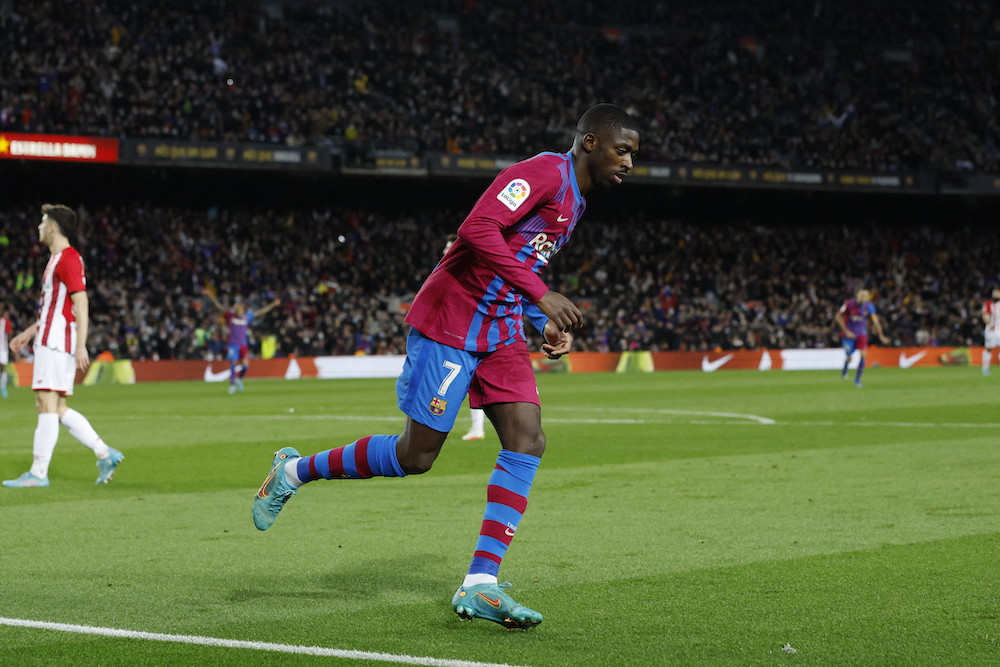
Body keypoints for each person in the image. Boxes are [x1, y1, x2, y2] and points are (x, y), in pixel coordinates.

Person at [252, 103, 640, 630]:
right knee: (416, 456)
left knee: (527, 440)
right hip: (452, 321)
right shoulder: (544, 174)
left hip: (500, 330)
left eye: (633, 154)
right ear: (591, 142)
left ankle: (480, 583)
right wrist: (542, 295)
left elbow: (519, 263)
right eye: (623, 150)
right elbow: (477, 228)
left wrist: (540, 318)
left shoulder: (577, 200)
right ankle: (293, 471)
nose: (629, 162)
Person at [4, 204, 123, 488]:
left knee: (45, 403)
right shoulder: (57, 259)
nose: (38, 227)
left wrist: (81, 345)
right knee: (55, 407)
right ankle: (105, 453)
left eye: (42, 222)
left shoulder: (68, 258)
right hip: (51, 337)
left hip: (56, 342)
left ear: (53, 227)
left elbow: (81, 302)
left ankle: (38, 473)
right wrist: (29, 332)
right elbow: (56, 307)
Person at [203, 290, 281, 394]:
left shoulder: (247, 317)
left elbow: (261, 311)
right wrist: (211, 295)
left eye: (240, 308)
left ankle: (239, 379)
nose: (239, 309)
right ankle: (232, 386)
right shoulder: (230, 316)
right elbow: (219, 306)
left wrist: (273, 304)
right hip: (233, 344)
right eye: (237, 308)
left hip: (243, 344)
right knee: (233, 365)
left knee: (245, 366)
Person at [835, 288, 889, 388]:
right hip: (849, 335)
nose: (863, 298)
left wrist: (881, 335)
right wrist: (846, 331)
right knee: (849, 358)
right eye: (861, 296)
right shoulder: (849, 304)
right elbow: (838, 316)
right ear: (857, 296)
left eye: (865, 296)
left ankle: (857, 380)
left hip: (861, 334)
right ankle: (845, 366)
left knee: (863, 356)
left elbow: (876, 321)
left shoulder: (869, 306)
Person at [982, 286, 1000, 376]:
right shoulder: (988, 303)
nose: (996, 294)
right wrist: (989, 323)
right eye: (994, 293)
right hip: (991, 330)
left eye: (997, 293)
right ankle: (985, 368)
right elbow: (985, 314)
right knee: (989, 348)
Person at [0, 302, 11, 399]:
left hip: (2, 348)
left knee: (3, 366)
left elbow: (9, 333)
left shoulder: (5, 321)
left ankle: (3, 387)